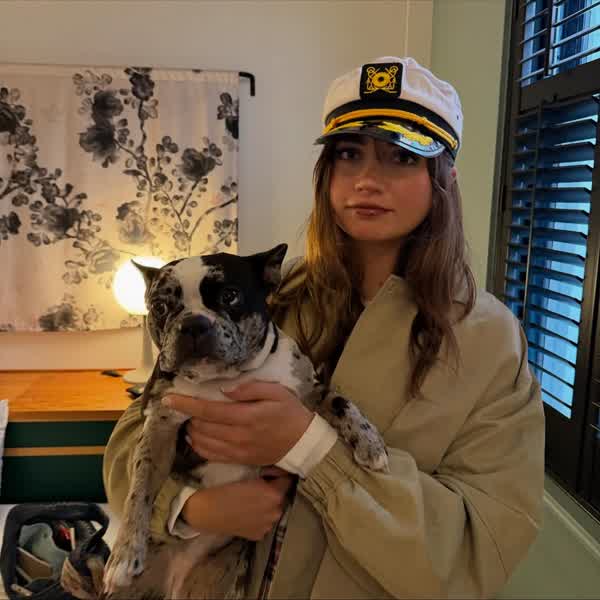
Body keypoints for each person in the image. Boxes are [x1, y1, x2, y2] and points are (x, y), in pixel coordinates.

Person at [103, 56, 545, 599]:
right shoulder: (265, 297)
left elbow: (479, 549)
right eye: (349, 154)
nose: (367, 180)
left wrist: (312, 449)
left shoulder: (490, 342)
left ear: (444, 178)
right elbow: (133, 437)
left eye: (402, 156)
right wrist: (189, 507)